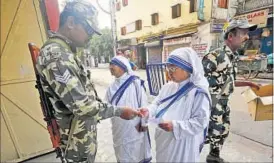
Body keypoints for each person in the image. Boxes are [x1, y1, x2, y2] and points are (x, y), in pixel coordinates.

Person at [36, 1, 139, 162]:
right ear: (71, 22)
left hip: (80, 139)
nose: (90, 36)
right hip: (74, 145)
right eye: (89, 30)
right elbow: (84, 107)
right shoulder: (56, 56)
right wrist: (119, 111)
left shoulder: (65, 52)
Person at [202, 18, 260, 163]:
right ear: (231, 36)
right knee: (204, 136)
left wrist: (248, 83)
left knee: (222, 131)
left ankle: (213, 157)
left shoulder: (231, 57)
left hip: (223, 103)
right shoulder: (214, 56)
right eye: (243, 33)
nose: (247, 37)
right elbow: (198, 83)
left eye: (247, 33)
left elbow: (229, 81)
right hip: (212, 104)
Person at [140, 47, 211, 162]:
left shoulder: (198, 92)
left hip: (183, 145)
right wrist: (148, 111)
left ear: (187, 68)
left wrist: (175, 126)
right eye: (168, 67)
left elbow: (200, 122)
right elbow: (157, 103)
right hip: (164, 142)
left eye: (173, 68)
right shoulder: (168, 86)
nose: (169, 72)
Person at [105, 56, 152, 163]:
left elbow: (144, 106)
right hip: (118, 129)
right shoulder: (111, 87)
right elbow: (106, 107)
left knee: (135, 153)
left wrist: (144, 125)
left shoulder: (135, 83)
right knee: (122, 154)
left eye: (113, 64)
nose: (110, 67)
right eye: (110, 65)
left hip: (134, 129)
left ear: (122, 67)